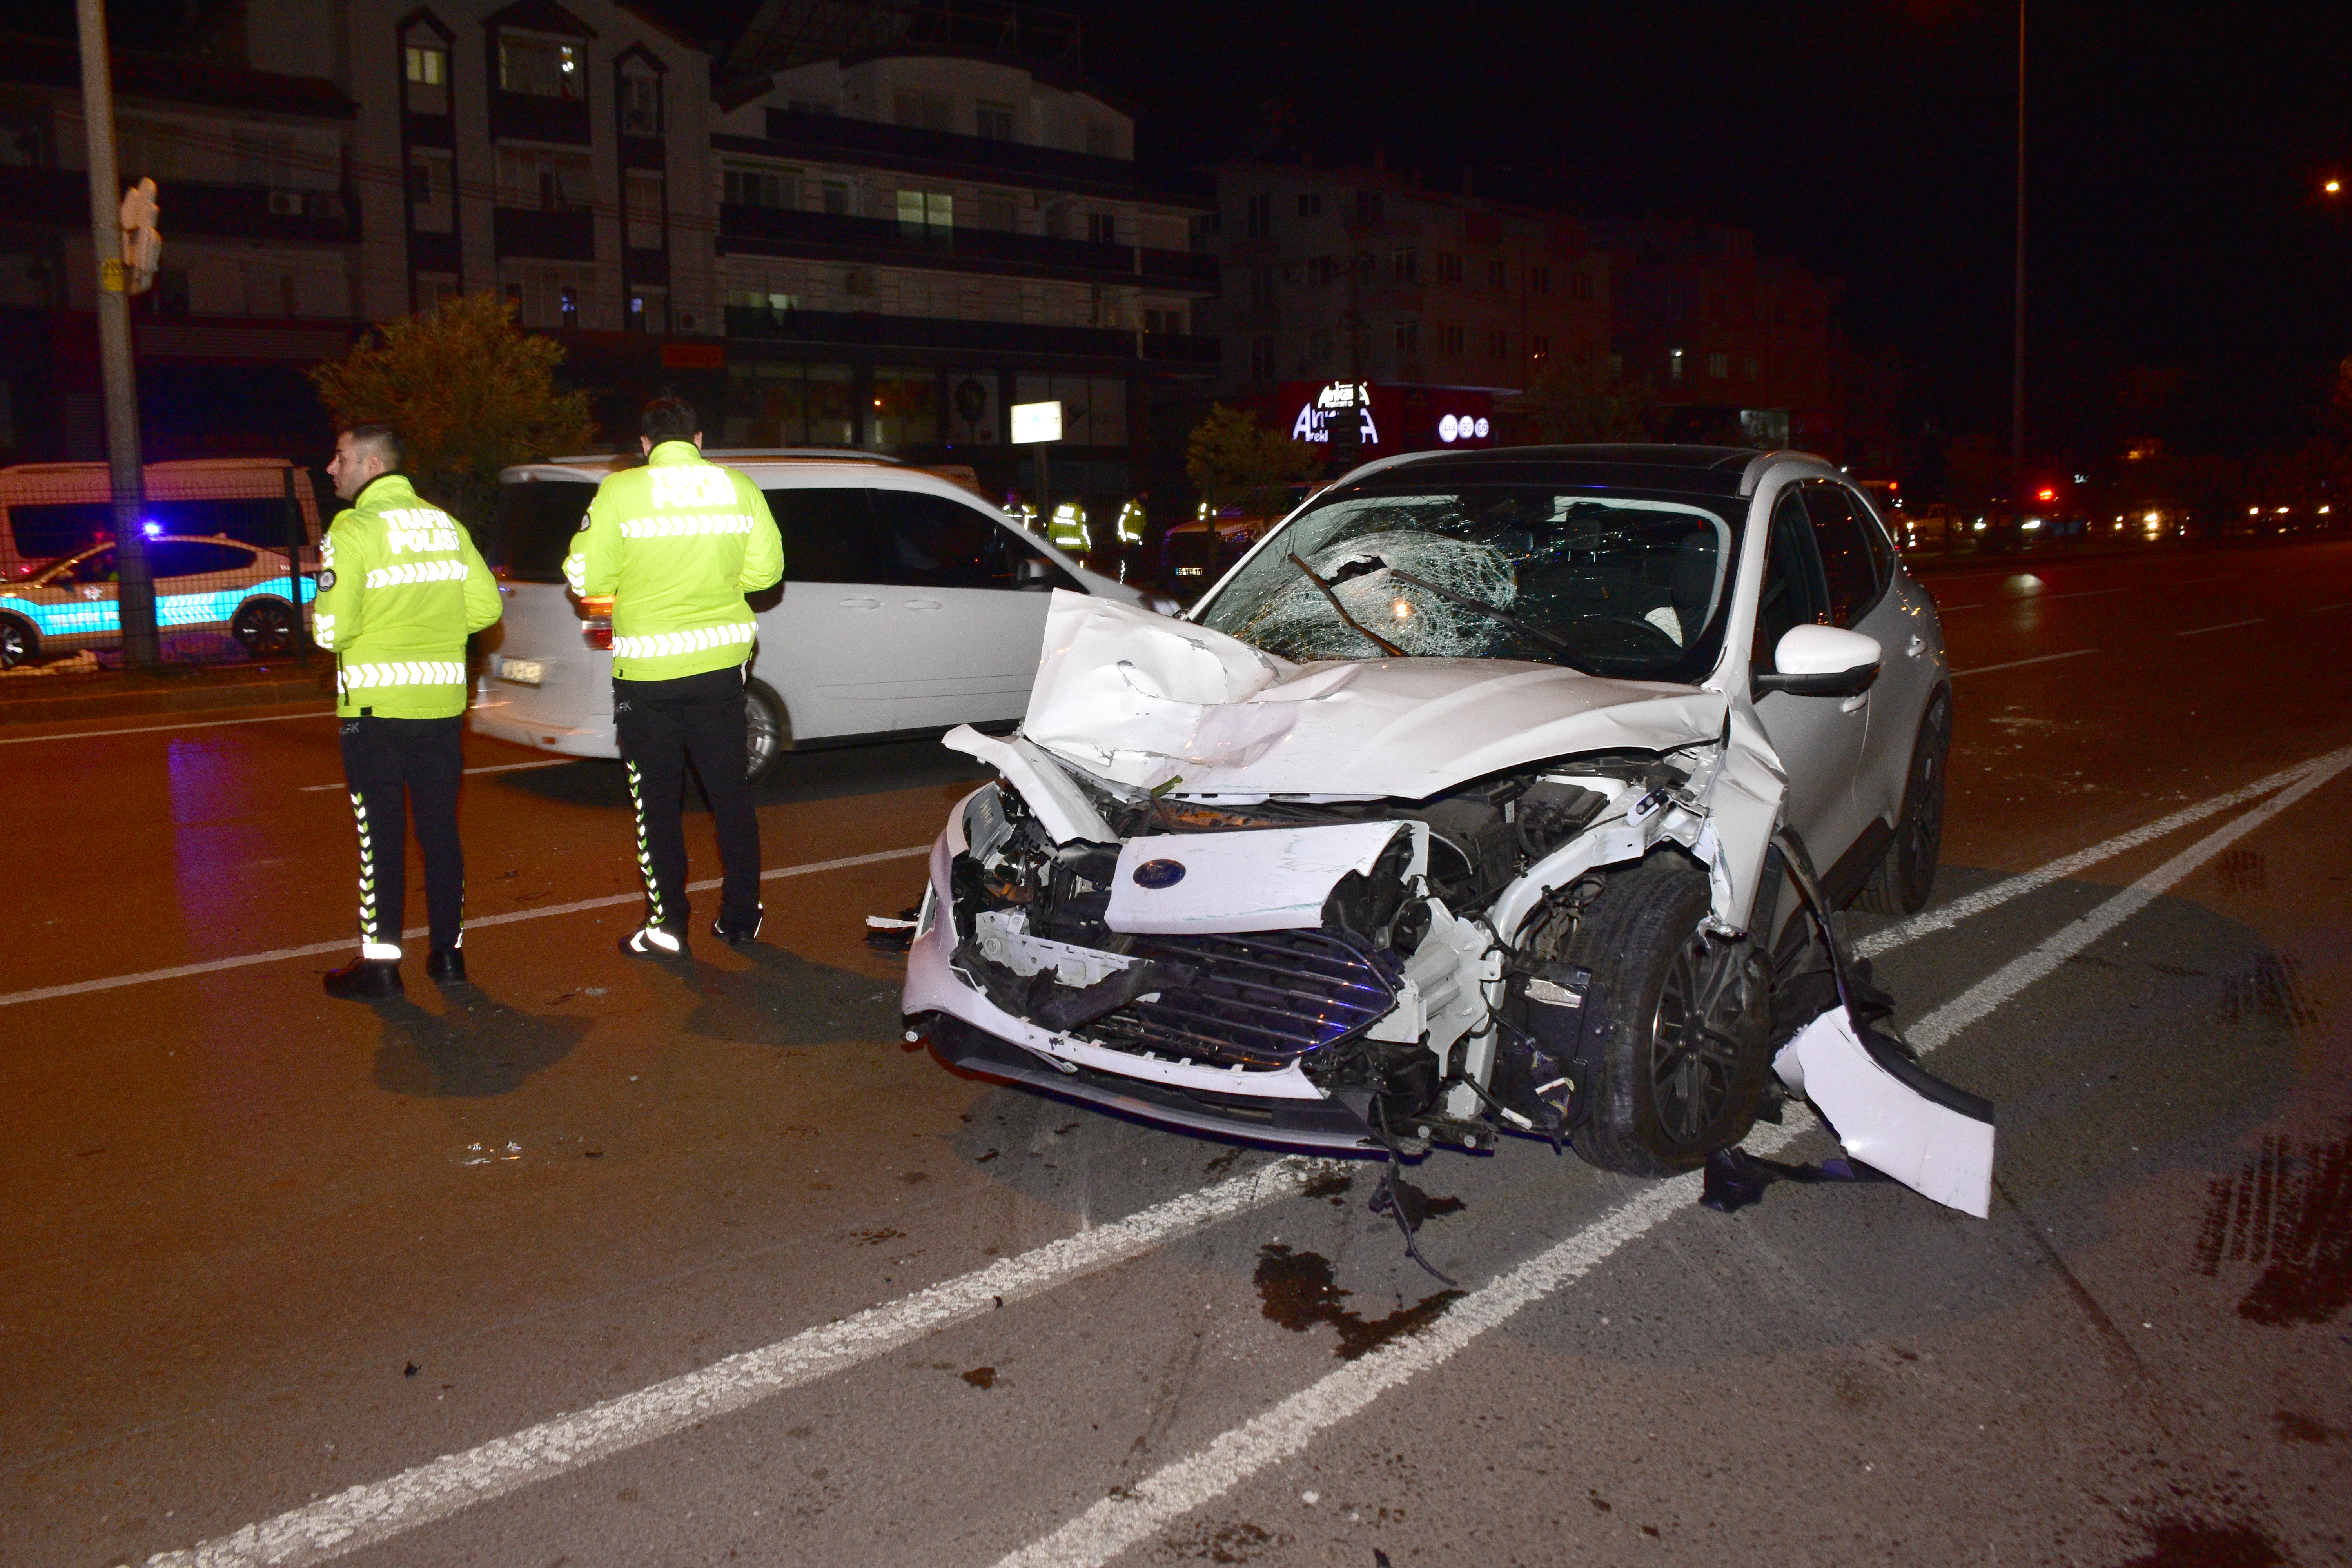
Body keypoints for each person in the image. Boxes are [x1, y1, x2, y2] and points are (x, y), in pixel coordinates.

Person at [567, 395, 783, 957]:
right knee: (731, 797)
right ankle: (740, 918)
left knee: (656, 804)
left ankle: (666, 925)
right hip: (719, 673)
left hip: (647, 678)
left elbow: (588, 575)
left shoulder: (620, 492)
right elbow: (768, 572)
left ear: (643, 445)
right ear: (699, 440)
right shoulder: (739, 488)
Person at [314, 425, 501, 999]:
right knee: (441, 834)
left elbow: (330, 630)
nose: (330, 468)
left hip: (374, 711)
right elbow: (486, 607)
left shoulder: (353, 530)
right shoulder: (445, 525)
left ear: (371, 465)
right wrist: (431, 631)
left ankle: (382, 967)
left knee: (381, 839)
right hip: (441, 707)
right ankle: (449, 958)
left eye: (340, 456)